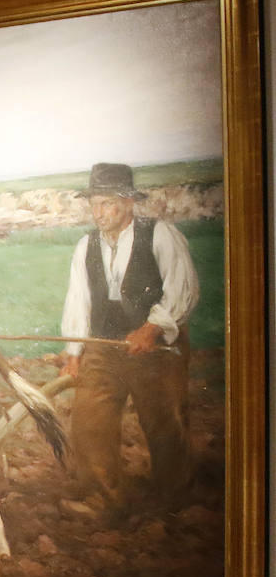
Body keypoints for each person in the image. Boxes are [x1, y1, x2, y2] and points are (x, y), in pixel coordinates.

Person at [59, 162, 200, 513]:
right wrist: (74, 353)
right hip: (105, 348)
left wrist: (152, 328)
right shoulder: (85, 245)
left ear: (128, 203)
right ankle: (105, 499)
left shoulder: (160, 234)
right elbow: (78, 301)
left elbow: (183, 289)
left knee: (164, 422)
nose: (98, 212)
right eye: (94, 204)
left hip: (156, 348)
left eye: (106, 203)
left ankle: (175, 501)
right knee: (90, 420)